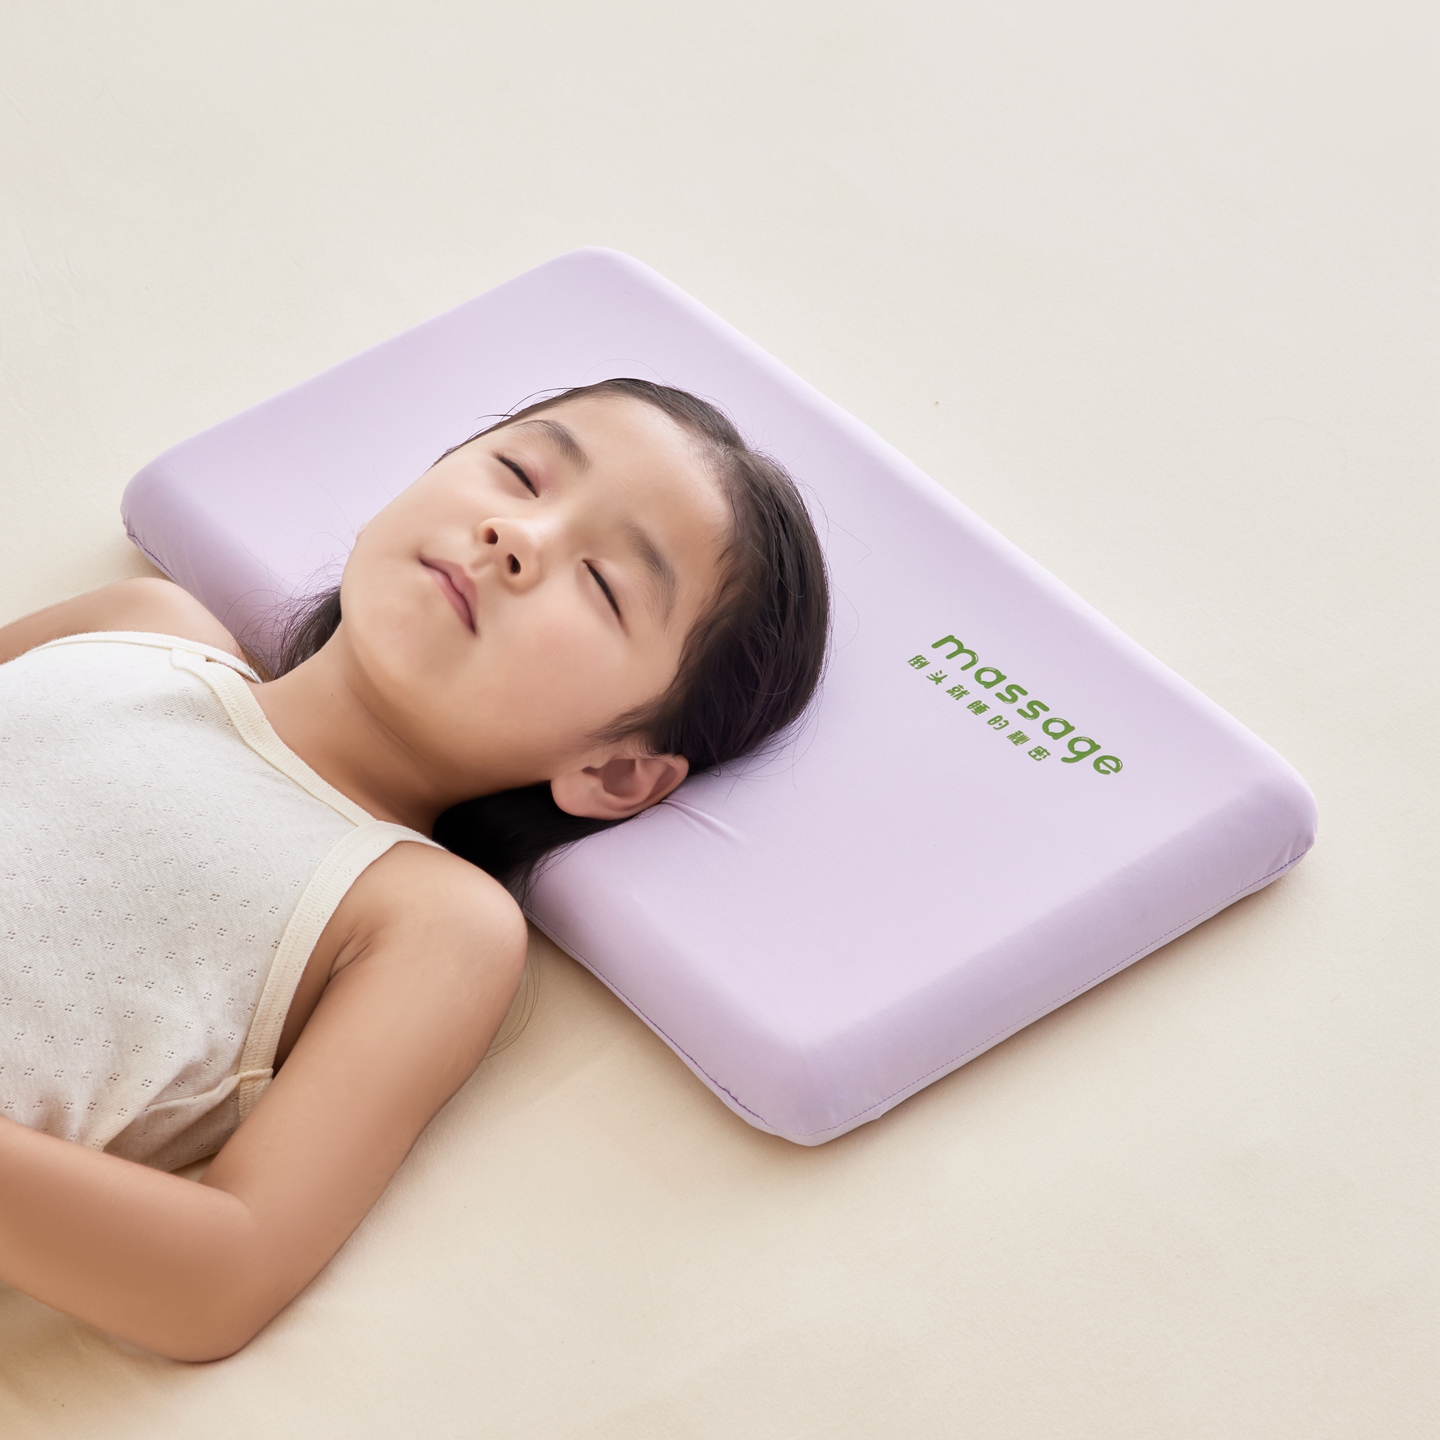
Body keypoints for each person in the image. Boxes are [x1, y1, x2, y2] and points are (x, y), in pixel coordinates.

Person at [0, 379, 829, 1360]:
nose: (517, 536)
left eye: (605, 584)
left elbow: (220, 1275)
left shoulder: (429, 917)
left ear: (615, 772)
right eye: (519, 473)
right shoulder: (139, 625)